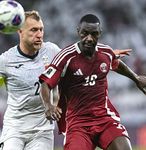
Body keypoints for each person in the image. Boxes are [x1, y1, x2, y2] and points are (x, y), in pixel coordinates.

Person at [0, 11, 132, 150]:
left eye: (41, 30)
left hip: (42, 129)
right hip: (15, 128)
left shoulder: (52, 51)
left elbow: (77, 58)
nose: (39, 34)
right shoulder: (5, 61)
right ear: (20, 32)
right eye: (34, 30)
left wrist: (108, 53)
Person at [39, 14, 146, 150]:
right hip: (78, 124)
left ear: (99, 34)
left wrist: (136, 78)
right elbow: (46, 83)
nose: (89, 38)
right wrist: (48, 105)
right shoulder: (66, 57)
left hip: (105, 120)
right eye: (85, 33)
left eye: (94, 34)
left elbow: (116, 63)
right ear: (78, 32)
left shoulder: (105, 52)